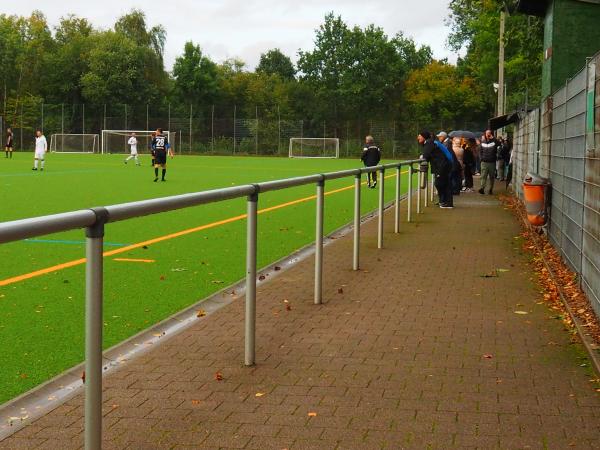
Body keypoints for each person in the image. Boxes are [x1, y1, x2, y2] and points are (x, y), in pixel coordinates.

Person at [419, 131, 453, 208]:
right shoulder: (432, 143)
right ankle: (444, 201)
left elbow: (426, 155)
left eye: (419, 136)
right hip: (443, 165)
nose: (418, 138)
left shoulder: (430, 143)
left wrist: (422, 157)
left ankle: (446, 202)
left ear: (424, 137)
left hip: (443, 166)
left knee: (440, 183)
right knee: (443, 184)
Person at [478, 129, 498, 195]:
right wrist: (481, 159)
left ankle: (490, 189)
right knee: (483, 176)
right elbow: (480, 151)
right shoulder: (482, 142)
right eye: (487, 133)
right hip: (484, 162)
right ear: (485, 134)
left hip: (492, 162)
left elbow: (499, 144)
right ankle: (482, 188)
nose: (488, 134)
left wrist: (493, 138)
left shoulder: (494, 142)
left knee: (492, 177)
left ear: (491, 134)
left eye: (489, 133)